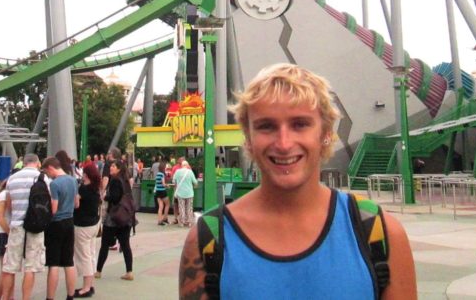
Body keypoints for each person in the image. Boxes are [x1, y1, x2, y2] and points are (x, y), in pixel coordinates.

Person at [179, 63, 417, 299]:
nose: (283, 143)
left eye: (300, 124)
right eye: (266, 126)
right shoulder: (209, 239)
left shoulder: (378, 233)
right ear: (248, 138)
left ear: (325, 133)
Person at [0, 153, 45, 300]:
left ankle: (7, 297)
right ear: (37, 162)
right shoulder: (43, 178)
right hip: (35, 226)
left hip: (16, 225)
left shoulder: (12, 179)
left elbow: (9, 205)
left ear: (23, 163)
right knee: (30, 268)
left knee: (9, 267)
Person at [42, 153, 78, 300]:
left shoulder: (55, 184)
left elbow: (54, 208)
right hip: (70, 222)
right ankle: (70, 295)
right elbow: (77, 203)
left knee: (54, 263)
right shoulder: (73, 180)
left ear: (51, 168)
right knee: (69, 262)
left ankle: (50, 297)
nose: (48, 176)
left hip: (56, 224)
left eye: (46, 172)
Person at [95, 160, 134, 282]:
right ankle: (129, 271)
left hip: (114, 217)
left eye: (113, 166)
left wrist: (105, 197)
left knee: (105, 244)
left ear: (118, 168)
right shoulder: (126, 180)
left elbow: (115, 198)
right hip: (125, 217)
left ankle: (98, 271)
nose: (110, 168)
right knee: (125, 245)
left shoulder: (116, 180)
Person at [73, 161, 101, 298]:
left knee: (83, 257)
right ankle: (90, 284)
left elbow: (76, 204)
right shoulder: (95, 188)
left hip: (83, 226)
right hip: (94, 224)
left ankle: (86, 288)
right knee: (90, 254)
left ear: (87, 175)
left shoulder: (83, 189)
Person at [172, 161, 198, 227]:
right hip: (189, 193)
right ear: (187, 165)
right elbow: (195, 182)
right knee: (189, 207)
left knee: (181, 207)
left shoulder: (177, 172)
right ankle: (189, 222)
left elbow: (173, 181)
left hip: (180, 193)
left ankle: (182, 222)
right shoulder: (190, 172)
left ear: (182, 165)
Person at [153, 155, 169, 226]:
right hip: (163, 191)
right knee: (168, 204)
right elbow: (163, 184)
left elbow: (157, 183)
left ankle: (159, 221)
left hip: (157, 192)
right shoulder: (162, 174)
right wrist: (167, 185)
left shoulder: (157, 174)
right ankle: (165, 218)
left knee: (160, 206)